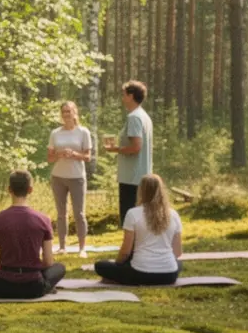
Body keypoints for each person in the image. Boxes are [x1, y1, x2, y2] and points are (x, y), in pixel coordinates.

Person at [0, 170, 66, 299]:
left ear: (9, 189)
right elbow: (48, 262)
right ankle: (47, 286)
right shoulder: (44, 219)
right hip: (34, 287)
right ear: (30, 190)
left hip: (2, 287)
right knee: (60, 268)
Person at [94, 173, 182, 285]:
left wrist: (118, 265)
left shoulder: (133, 213)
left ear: (141, 191)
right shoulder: (174, 214)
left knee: (100, 265)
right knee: (179, 264)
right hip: (169, 275)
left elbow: (125, 252)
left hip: (141, 273)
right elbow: (178, 252)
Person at [104, 79, 153, 226]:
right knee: (142, 219)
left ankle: (131, 242)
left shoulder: (134, 117)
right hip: (142, 176)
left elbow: (136, 147)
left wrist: (115, 149)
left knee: (130, 220)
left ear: (131, 96)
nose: (122, 98)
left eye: (124, 94)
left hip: (131, 178)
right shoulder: (144, 116)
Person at [47, 101, 92, 256]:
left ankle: (82, 248)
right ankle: (62, 247)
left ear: (75, 113)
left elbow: (88, 157)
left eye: (69, 111)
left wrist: (74, 154)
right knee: (61, 214)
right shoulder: (55, 133)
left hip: (77, 177)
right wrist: (59, 154)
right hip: (58, 177)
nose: (66, 114)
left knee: (79, 213)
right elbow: (50, 158)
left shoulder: (83, 132)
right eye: (64, 112)